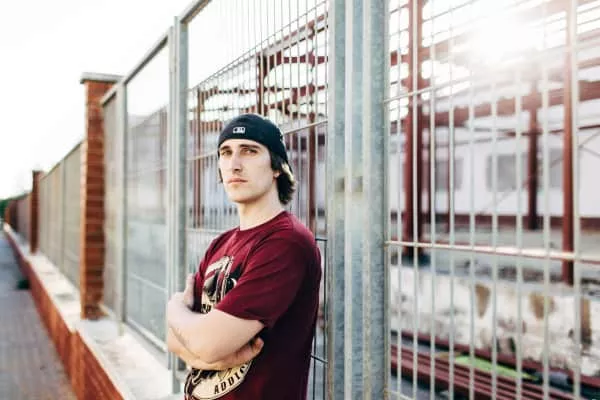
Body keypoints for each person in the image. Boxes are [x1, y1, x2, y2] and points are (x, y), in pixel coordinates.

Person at [166, 113, 322, 400]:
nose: (234, 164)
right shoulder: (221, 243)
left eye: (249, 151)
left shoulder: (286, 243)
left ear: (277, 167)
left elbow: (206, 342)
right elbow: (174, 339)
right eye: (226, 152)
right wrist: (206, 356)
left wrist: (175, 309)